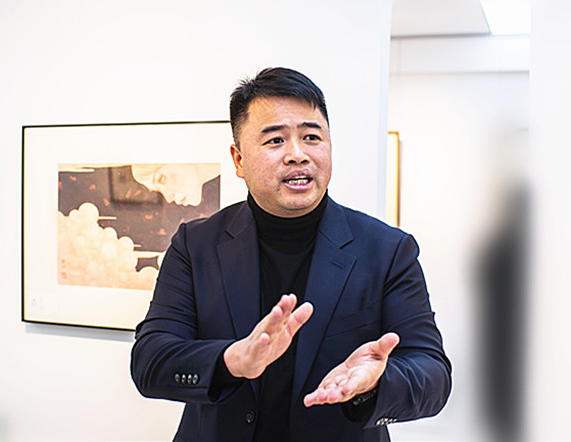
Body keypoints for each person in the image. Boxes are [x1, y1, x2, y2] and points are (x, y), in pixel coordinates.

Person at [130, 67, 451, 442]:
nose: (297, 155)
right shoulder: (195, 244)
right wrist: (232, 361)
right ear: (238, 160)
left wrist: (374, 384)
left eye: (311, 137)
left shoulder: (387, 250)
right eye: (275, 140)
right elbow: (150, 360)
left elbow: (432, 374)